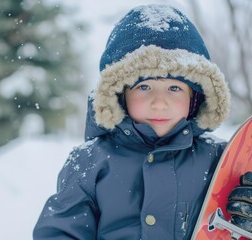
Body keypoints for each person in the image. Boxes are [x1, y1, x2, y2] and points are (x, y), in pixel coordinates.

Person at [33, 4, 251, 239]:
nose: (159, 102)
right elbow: (60, 232)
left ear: (195, 97)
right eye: (144, 86)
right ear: (120, 94)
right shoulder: (89, 162)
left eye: (174, 88)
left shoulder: (219, 159)